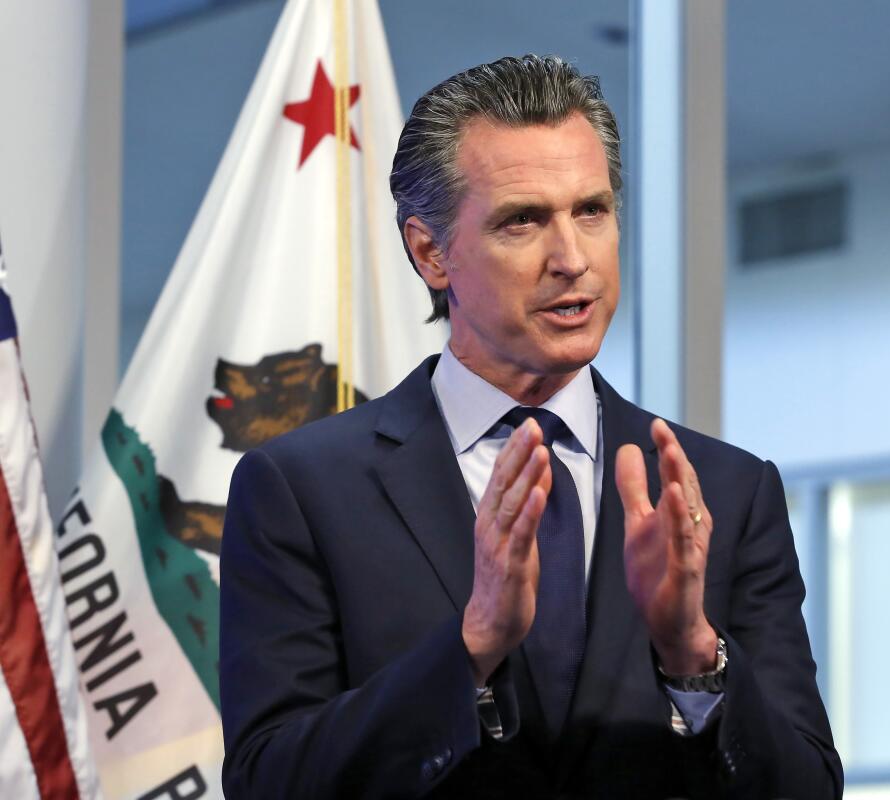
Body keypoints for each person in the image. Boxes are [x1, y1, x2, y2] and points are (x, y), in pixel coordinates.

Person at [219, 54, 843, 799]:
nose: (572, 259)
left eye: (591, 210)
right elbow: (269, 783)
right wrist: (472, 646)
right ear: (431, 252)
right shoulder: (302, 490)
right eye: (523, 221)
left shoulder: (731, 491)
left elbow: (807, 788)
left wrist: (692, 652)